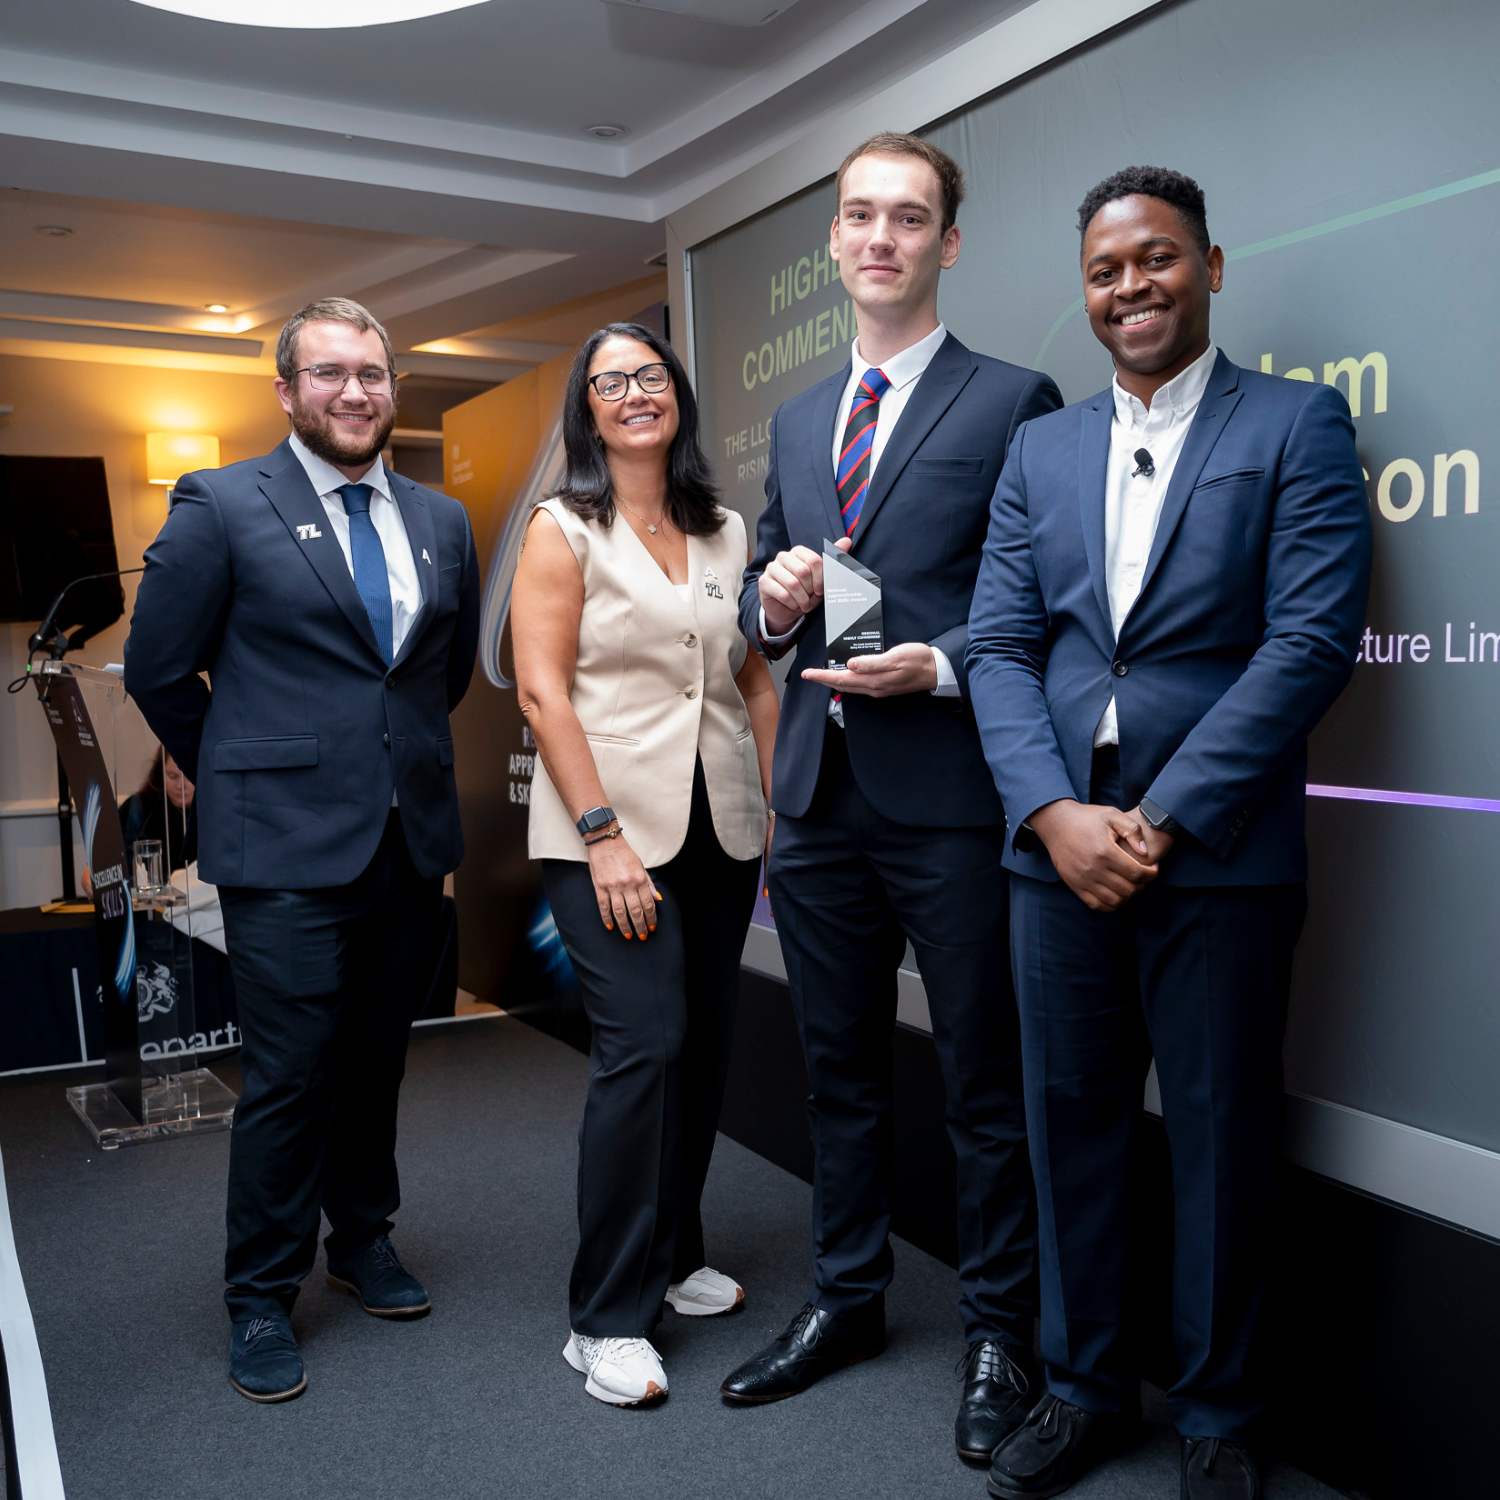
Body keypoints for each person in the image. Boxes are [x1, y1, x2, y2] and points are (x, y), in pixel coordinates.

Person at [966, 168, 1372, 1500]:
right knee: (1068, 1132)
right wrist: (1051, 813)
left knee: (1220, 1139)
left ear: (1210, 266)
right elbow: (1000, 646)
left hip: (1218, 855)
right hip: (1054, 856)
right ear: (1084, 291)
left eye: (1156, 259)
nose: (1129, 287)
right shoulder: (1042, 449)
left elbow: (1310, 643)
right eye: (1105, 270)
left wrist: (1160, 817)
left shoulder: (1297, 423)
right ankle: (1084, 1386)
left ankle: (1219, 1412)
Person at [720, 132, 1063, 1461]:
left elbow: (1044, 594)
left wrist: (947, 661)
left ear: (948, 244)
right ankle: (847, 1300)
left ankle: (1001, 1335)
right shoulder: (801, 418)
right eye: (861, 215)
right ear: (833, 242)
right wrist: (772, 601)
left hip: (953, 792)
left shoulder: (1014, 398)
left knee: (984, 1080)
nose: (881, 237)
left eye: (909, 218)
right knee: (840, 1071)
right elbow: (762, 593)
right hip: (818, 796)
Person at [124, 296, 481, 1404]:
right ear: (286, 391)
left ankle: (361, 1240)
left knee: (378, 1059)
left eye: (372, 373)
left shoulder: (442, 519)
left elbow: (437, 675)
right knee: (291, 1074)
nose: (355, 392)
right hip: (281, 847)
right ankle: (260, 1295)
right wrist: (239, 766)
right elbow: (158, 667)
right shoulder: (223, 502)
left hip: (406, 840)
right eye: (329, 372)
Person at [512, 322, 780, 1408]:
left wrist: (783, 806)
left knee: (703, 1048)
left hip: (721, 826)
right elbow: (542, 692)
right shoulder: (561, 528)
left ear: (679, 394)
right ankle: (605, 1317)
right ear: (587, 409)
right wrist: (602, 833)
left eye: (651, 376)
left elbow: (750, 680)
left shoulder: (723, 529)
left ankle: (673, 1256)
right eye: (610, 382)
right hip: (606, 837)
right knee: (644, 1048)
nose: (634, 393)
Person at [120, 750, 197, 873]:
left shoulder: (218, 814)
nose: (180, 786)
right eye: (172, 776)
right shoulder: (138, 807)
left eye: (189, 776)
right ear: (161, 773)